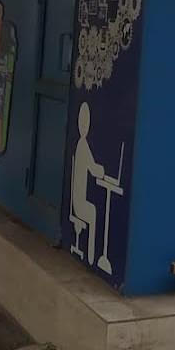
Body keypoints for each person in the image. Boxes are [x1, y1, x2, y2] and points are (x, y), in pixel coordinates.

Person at [69, 102, 105, 264]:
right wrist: (101, 171)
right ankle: (91, 256)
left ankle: (91, 254)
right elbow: (93, 168)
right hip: (79, 202)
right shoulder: (83, 145)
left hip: (76, 199)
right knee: (93, 212)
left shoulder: (80, 144)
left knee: (93, 210)